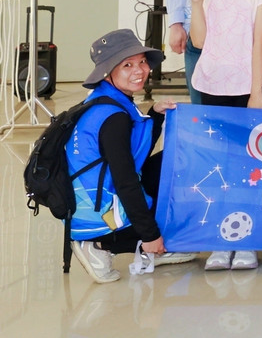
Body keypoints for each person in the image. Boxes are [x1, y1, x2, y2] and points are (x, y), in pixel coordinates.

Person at [65, 30, 197, 283]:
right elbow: (125, 181)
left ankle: (134, 238)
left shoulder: (106, 100)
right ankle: (99, 243)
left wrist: (154, 114)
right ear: (107, 71)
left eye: (142, 62)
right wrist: (150, 235)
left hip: (91, 198)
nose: (140, 70)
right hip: (97, 213)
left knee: (174, 162)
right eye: (127, 65)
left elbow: (134, 156)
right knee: (177, 225)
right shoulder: (114, 118)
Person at [186, 0, 262, 272]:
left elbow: (260, 41)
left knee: (248, 164)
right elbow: (199, 42)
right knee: (219, 165)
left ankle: (247, 241)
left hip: (246, 89)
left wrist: (256, 92)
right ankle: (221, 241)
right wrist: (196, 2)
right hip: (211, 86)